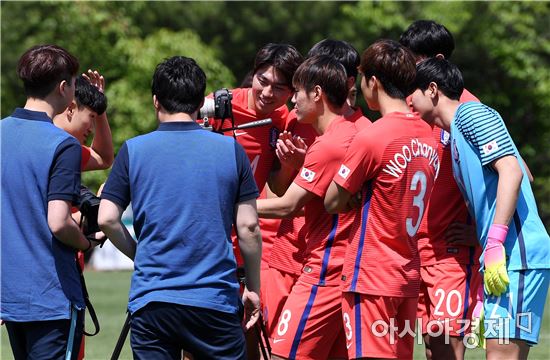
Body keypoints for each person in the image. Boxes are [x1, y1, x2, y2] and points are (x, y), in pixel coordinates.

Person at [98, 55, 262, 359]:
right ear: (201, 101)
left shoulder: (133, 150)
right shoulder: (231, 150)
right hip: (215, 299)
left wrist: (140, 254)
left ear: (155, 101)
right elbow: (249, 227)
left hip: (153, 300)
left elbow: (106, 218)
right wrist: (253, 287)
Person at [411, 57, 550, 360]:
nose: (409, 100)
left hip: (517, 256)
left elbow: (513, 171)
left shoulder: (470, 114)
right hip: (504, 258)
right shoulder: (456, 132)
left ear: (432, 89)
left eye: (414, 91)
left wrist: (496, 241)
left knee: (501, 355)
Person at [324, 39, 440, 360]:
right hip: (407, 274)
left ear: (373, 81)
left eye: (363, 80)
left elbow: (332, 200)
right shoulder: (428, 134)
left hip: (372, 274)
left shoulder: (374, 134)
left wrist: (355, 193)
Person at [262, 38, 371, 344]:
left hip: (326, 265)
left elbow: (289, 204)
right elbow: (282, 191)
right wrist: (292, 167)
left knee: (282, 350)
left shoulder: (357, 134)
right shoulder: (298, 121)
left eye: (299, 89)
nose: (293, 98)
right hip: (289, 255)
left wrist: (230, 205)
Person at [0, 44, 100, 360]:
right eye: (73, 83)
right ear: (63, 87)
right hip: (51, 296)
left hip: (11, 296)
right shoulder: (63, 144)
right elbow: (58, 222)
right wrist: (84, 242)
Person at [399, 20, 482, 359]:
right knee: (433, 348)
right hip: (414, 249)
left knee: (448, 347)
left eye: (411, 60)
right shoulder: (411, 104)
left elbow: (514, 174)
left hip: (449, 252)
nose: (405, 69)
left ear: (435, 60)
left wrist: (480, 230)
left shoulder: (469, 111)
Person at [54, 69, 113, 171]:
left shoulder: (70, 149)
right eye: (91, 116)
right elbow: (103, 158)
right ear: (71, 109)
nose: (91, 129)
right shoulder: (66, 149)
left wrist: (99, 106)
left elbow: (103, 158)